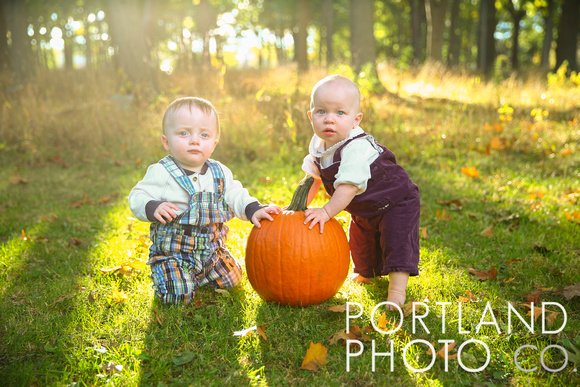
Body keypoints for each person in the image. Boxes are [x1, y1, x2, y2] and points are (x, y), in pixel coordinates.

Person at [129, 97, 280, 304]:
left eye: (204, 135)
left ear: (214, 143)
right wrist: (151, 206)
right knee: (177, 295)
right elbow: (137, 195)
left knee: (233, 279)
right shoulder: (162, 172)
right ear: (166, 141)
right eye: (184, 133)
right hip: (174, 255)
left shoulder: (220, 173)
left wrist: (253, 209)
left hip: (211, 253)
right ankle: (170, 274)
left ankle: (202, 275)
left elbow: (237, 195)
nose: (194, 140)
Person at [301, 75, 420, 307]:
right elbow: (313, 178)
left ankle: (396, 291)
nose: (329, 120)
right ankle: (367, 273)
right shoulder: (318, 147)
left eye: (340, 113)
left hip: (397, 200)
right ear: (310, 116)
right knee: (360, 242)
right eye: (321, 111)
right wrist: (298, 208)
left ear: (356, 120)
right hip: (366, 206)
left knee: (397, 241)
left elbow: (347, 188)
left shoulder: (355, 147)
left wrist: (325, 212)